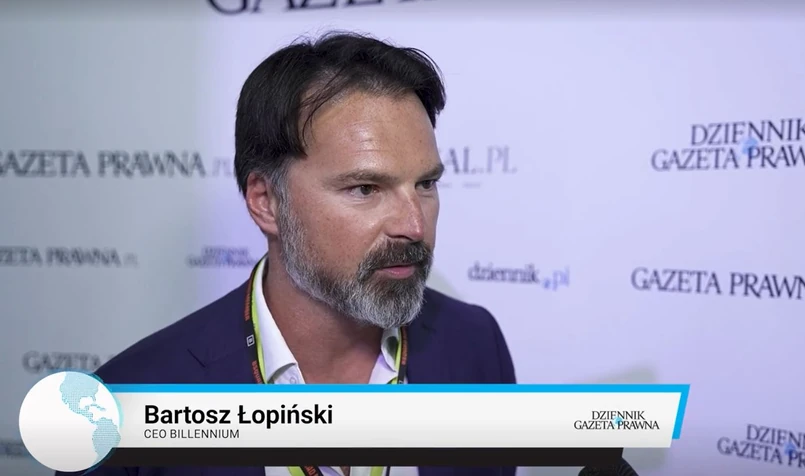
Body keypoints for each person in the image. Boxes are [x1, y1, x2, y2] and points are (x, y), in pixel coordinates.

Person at [58, 31, 516, 476]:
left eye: (426, 184)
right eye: (365, 189)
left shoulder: (477, 345)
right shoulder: (122, 409)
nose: (414, 226)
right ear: (266, 202)